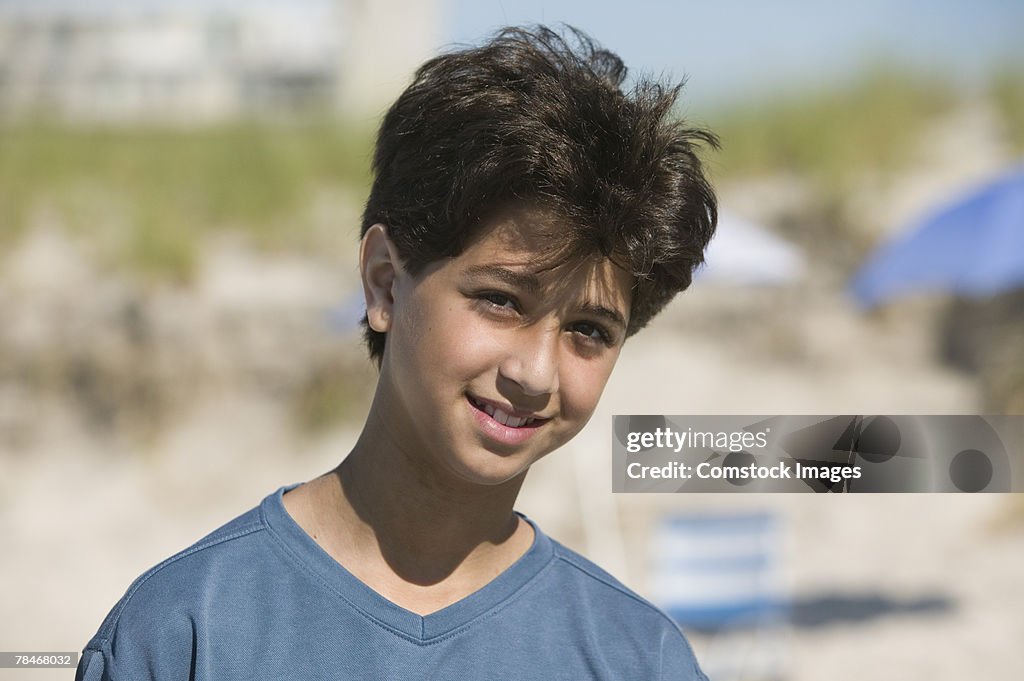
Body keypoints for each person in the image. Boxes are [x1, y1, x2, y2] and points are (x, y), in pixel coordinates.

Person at [76, 25, 717, 681]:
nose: (534, 372)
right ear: (385, 280)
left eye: (590, 329)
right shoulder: (186, 631)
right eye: (499, 299)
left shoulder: (638, 657)